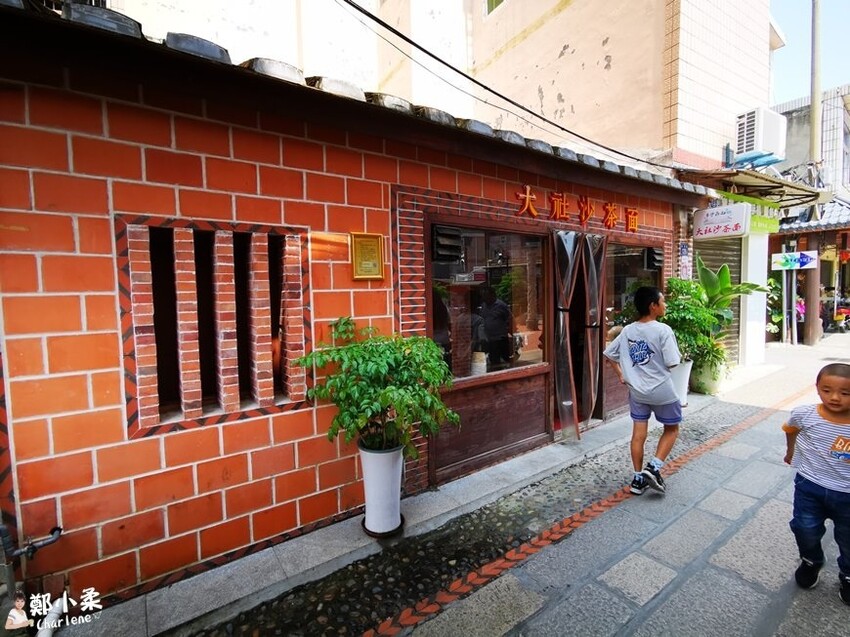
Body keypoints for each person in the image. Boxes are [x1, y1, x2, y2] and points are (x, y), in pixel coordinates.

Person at [603, 286, 682, 495]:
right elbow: (673, 363)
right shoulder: (663, 330)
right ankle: (653, 468)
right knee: (672, 429)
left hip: (637, 391)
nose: (665, 305)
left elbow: (609, 354)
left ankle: (638, 480)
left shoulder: (628, 330)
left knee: (639, 435)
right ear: (653, 306)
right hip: (662, 390)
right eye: (662, 301)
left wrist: (622, 375)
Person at [782, 362, 850, 605]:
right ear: (817, 388)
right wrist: (791, 451)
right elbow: (791, 429)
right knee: (804, 527)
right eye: (827, 389)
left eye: (845, 393)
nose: (834, 397)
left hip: (847, 494)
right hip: (809, 485)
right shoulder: (805, 413)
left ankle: (848, 575)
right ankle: (811, 560)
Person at [478, 285, 514, 366]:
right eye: (483, 296)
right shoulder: (484, 305)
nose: (484, 298)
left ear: (492, 295)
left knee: (506, 358)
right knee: (494, 360)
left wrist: (510, 331)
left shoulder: (501, 305)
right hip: (489, 339)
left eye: (486, 295)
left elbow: (510, 319)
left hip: (500, 338)